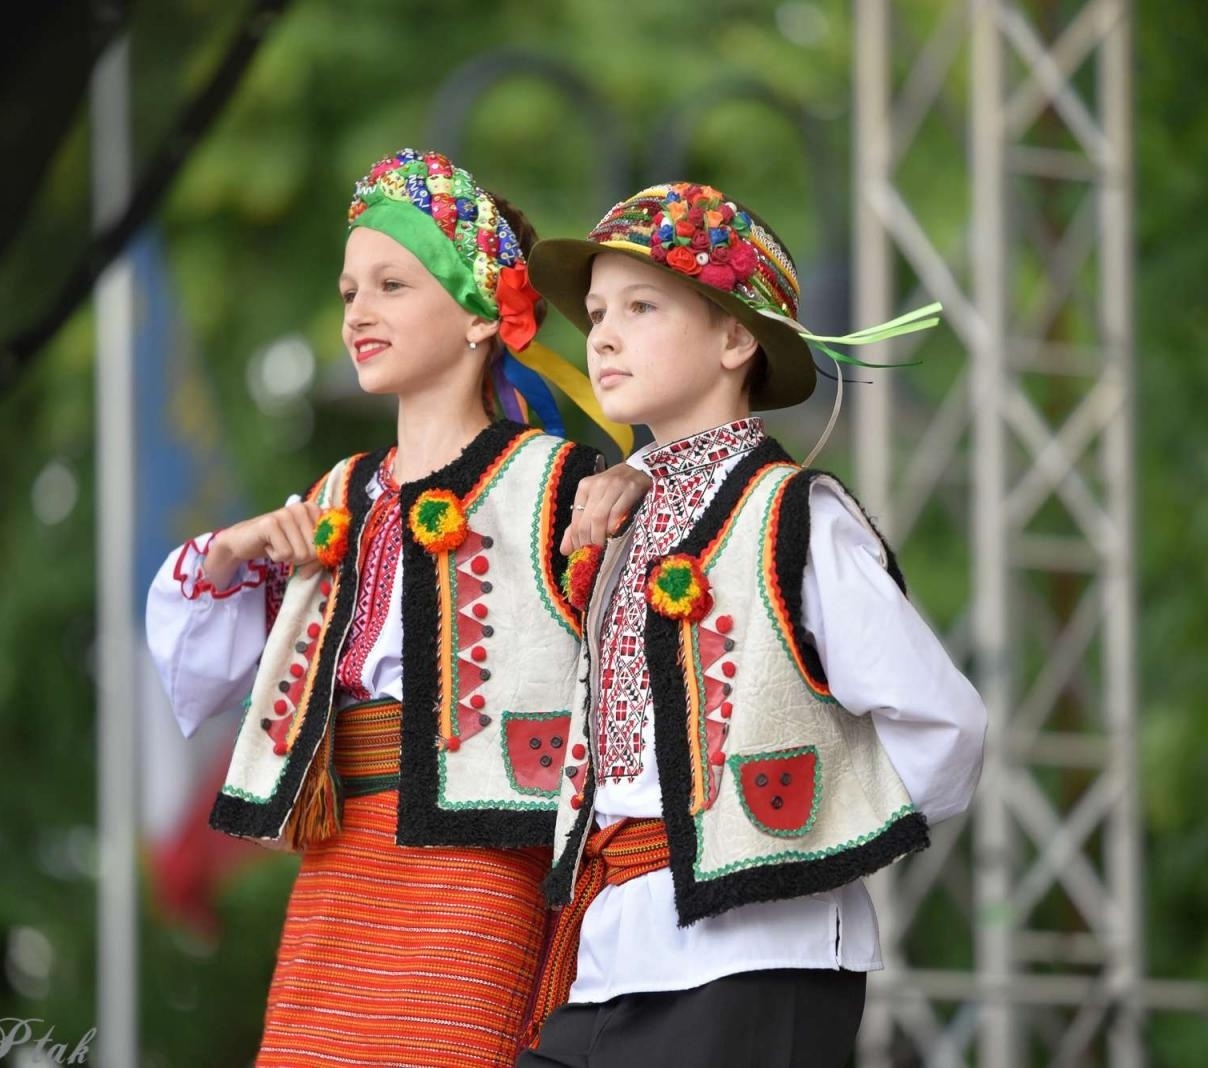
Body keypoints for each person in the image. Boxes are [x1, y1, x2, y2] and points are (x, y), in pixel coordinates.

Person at [145, 148, 646, 1068]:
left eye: (390, 286)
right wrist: (231, 552)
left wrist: (638, 482)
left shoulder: (556, 483)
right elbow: (201, 676)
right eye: (348, 292)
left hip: (478, 874)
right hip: (338, 872)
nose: (357, 314)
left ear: (479, 315)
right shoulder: (336, 494)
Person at [514, 182, 987, 1067]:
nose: (602, 335)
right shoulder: (624, 519)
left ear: (737, 339)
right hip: (610, 954)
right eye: (597, 314)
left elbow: (944, 722)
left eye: (641, 307)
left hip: (758, 961)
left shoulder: (796, 517)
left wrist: (806, 841)